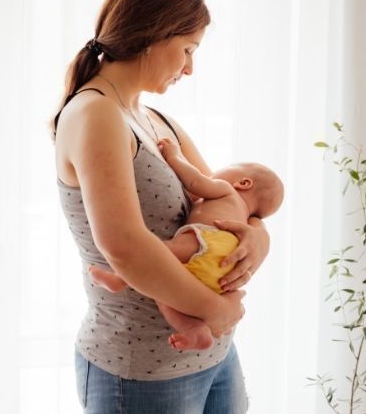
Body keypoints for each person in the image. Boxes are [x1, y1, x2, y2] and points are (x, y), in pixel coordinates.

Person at [52, 0, 270, 413]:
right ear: (154, 33)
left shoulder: (155, 119)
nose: (190, 68)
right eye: (188, 49)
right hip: (140, 368)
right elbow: (125, 248)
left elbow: (226, 201)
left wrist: (259, 237)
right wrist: (217, 310)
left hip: (213, 356)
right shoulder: (95, 115)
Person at [89, 137, 284, 351]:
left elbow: (195, 182)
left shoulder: (226, 190)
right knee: (163, 292)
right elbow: (256, 227)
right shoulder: (244, 216)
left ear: (243, 183)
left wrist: (174, 156)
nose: (215, 172)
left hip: (210, 238)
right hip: (223, 267)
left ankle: (120, 278)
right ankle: (195, 330)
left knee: (160, 253)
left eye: (228, 168)